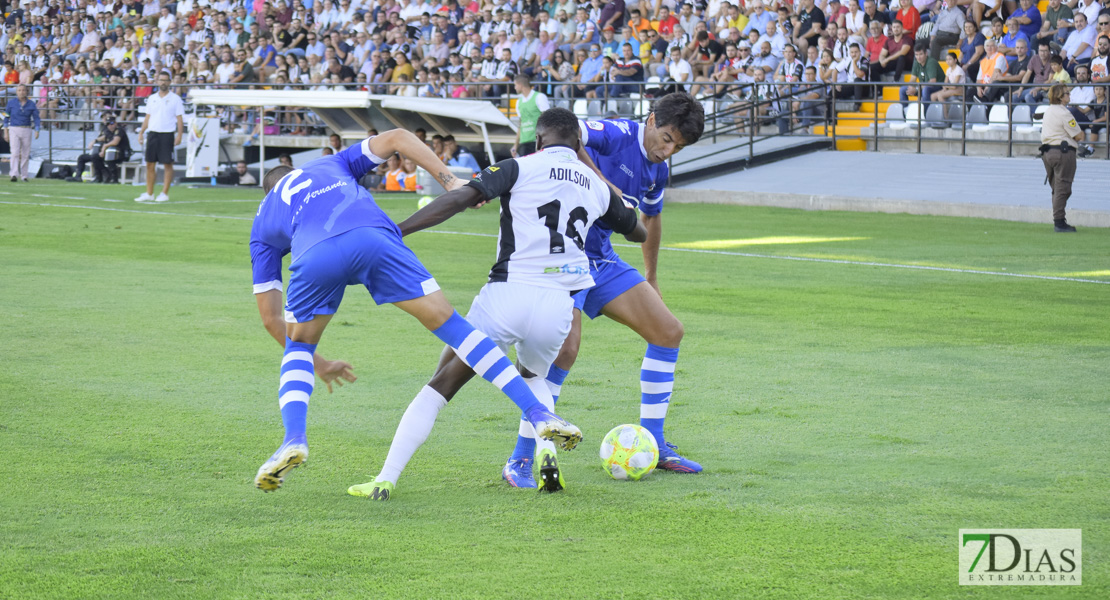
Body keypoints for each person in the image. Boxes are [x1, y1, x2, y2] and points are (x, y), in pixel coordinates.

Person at [250, 128, 583, 492]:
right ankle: (538, 412)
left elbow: (270, 318)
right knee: (454, 327)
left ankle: (293, 438)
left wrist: (320, 363)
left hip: (315, 255)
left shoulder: (264, 217)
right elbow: (396, 136)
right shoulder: (329, 163)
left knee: (300, 345)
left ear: (270, 191)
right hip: (374, 237)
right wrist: (449, 179)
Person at [349, 108, 647, 499]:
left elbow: (458, 200)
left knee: (441, 384)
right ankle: (545, 454)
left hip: (508, 293)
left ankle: (385, 478)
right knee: (534, 381)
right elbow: (638, 231)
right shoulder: (596, 185)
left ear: (538, 141)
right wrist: (619, 204)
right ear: (578, 145)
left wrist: (399, 231)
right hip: (558, 305)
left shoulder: (518, 166)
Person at [1039, 83, 1085, 233]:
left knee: (1056, 188)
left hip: (1047, 152)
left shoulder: (1048, 111)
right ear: (1060, 97)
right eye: (1066, 93)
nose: (1069, 95)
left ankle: (1058, 219)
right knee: (1063, 188)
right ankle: (1059, 222)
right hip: (1063, 152)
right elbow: (1078, 135)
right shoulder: (1064, 113)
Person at [135, 72, 183, 202]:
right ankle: (149, 193)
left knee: (167, 164)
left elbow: (179, 119)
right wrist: (141, 132)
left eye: (165, 80)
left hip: (167, 134)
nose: (163, 83)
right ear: (157, 81)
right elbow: (148, 116)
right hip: (153, 133)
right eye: (161, 80)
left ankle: (164, 193)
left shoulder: (175, 99)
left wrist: (179, 135)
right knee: (150, 163)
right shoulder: (152, 98)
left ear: (169, 82)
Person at [73, 117, 130, 183]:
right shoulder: (108, 132)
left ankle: (113, 179)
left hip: (121, 154)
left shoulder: (119, 130)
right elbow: (102, 138)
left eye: (112, 123)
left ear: (115, 123)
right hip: (108, 154)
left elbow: (115, 142)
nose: (110, 126)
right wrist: (94, 141)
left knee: (109, 158)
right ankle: (97, 176)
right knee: (90, 157)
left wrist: (104, 147)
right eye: (108, 124)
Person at [3, 84, 41, 182]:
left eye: (23, 90)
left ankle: (24, 175)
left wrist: (37, 129)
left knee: (25, 153)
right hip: (14, 128)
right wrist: (6, 131)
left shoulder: (31, 104)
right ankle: (14, 174)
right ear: (16, 92)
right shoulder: (11, 103)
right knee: (15, 152)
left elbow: (36, 117)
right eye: (19, 90)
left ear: (27, 91)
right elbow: (6, 117)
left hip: (26, 128)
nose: (21, 92)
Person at [512, 74, 550, 157]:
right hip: (524, 141)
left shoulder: (539, 97)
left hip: (536, 141)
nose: (514, 87)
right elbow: (520, 124)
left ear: (520, 85)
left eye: (515, 85)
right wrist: (516, 145)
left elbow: (548, 119)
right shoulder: (519, 102)